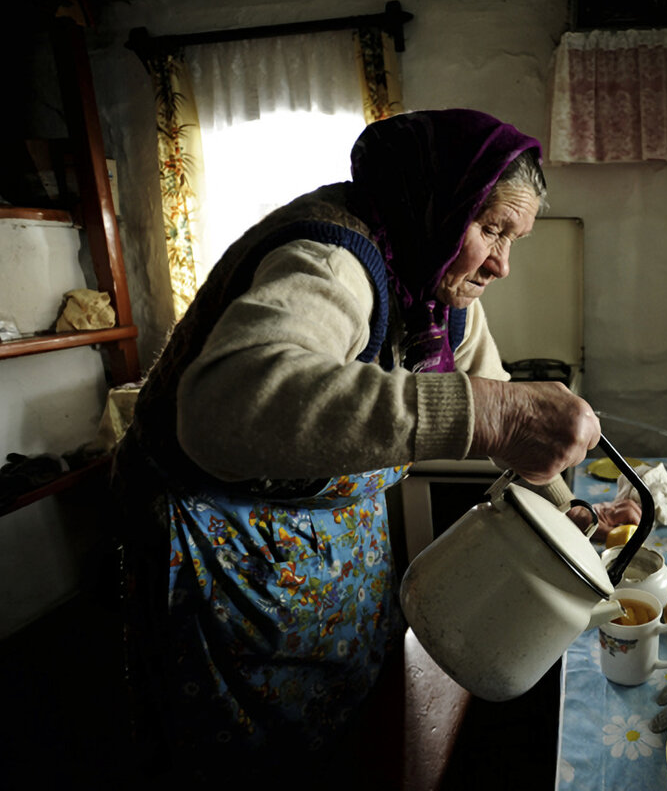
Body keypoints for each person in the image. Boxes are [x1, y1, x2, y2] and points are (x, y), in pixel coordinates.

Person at [113, 109, 600, 776]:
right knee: (246, 759)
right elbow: (225, 405)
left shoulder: (443, 292)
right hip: (226, 553)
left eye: (515, 238)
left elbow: (508, 422)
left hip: (334, 551)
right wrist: (491, 415)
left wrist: (572, 515)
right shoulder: (329, 260)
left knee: (348, 732)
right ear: (436, 201)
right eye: (491, 229)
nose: (504, 265)